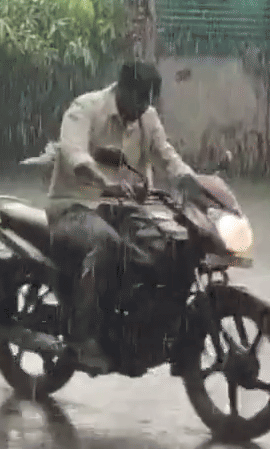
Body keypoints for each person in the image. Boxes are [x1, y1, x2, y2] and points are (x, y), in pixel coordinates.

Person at [46, 60, 212, 374]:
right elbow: (75, 156)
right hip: (74, 207)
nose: (144, 107)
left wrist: (192, 181)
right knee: (107, 244)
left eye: (150, 100)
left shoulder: (146, 118)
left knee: (169, 248)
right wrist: (104, 182)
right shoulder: (85, 109)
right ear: (122, 89)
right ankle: (83, 337)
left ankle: (143, 329)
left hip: (120, 210)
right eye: (140, 98)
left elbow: (166, 155)